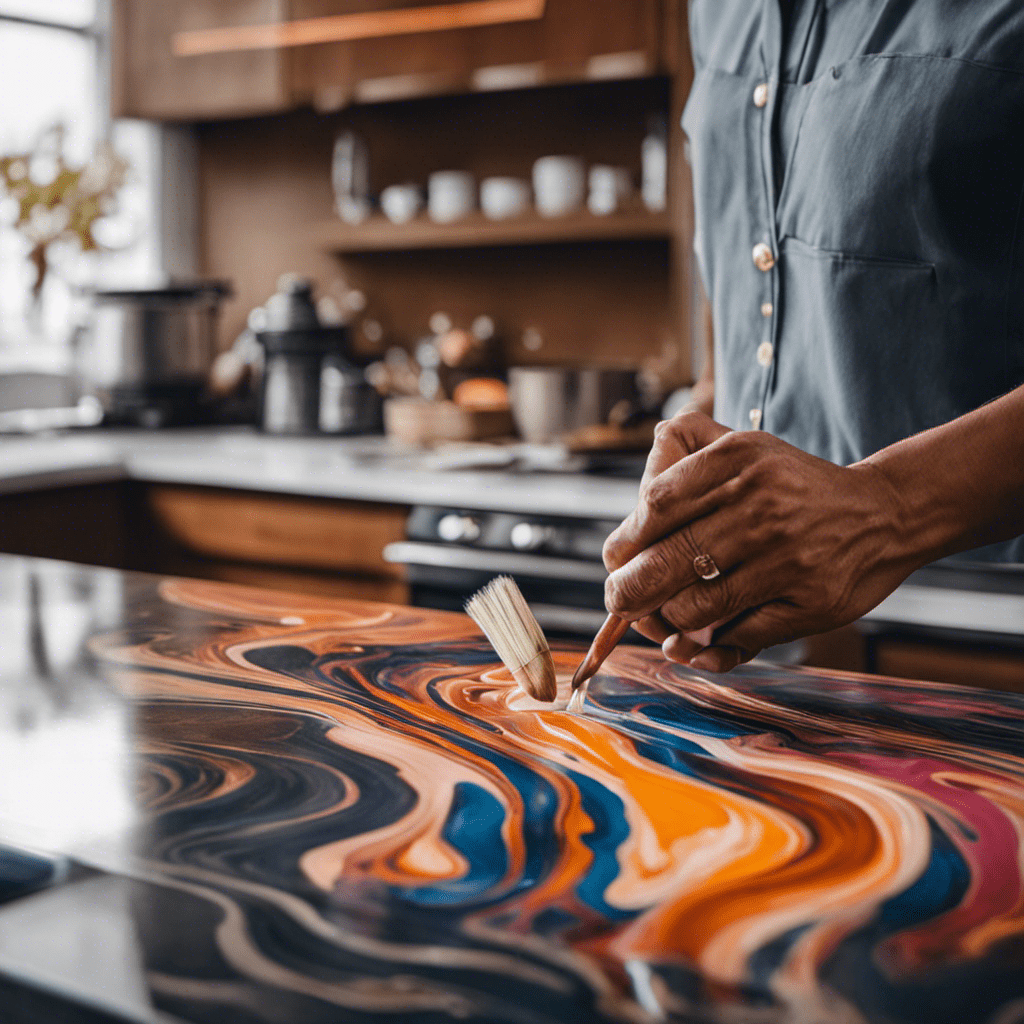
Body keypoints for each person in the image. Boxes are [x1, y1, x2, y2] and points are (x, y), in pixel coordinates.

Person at [603, 0, 1024, 672]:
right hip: (760, 643)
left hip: (984, 639)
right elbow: (743, 257)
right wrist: (701, 436)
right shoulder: (715, 11)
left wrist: (886, 508)